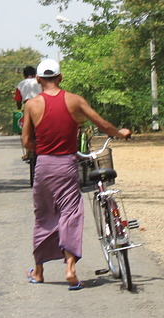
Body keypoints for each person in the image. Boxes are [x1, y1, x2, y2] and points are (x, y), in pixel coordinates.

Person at [22, 58, 131, 290]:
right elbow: (102, 124)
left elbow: (26, 141)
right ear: (60, 77)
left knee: (43, 216)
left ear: (39, 80)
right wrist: (120, 133)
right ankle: (70, 268)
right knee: (70, 213)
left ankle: (39, 272)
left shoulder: (31, 105)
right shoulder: (75, 100)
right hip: (67, 165)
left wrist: (42, 149)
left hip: (43, 167)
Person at [14, 66, 42, 156]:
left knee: (26, 129)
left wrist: (19, 109)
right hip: (42, 106)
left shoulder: (20, 84)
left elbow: (18, 100)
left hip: (28, 107)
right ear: (35, 74)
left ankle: (28, 151)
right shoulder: (40, 82)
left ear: (24, 75)